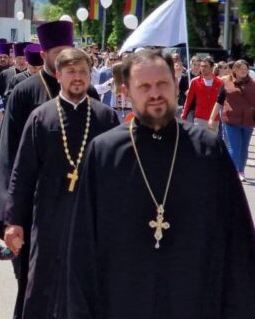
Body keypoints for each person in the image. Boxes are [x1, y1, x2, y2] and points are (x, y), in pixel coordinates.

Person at [66, 49, 255, 318]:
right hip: (121, 303)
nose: (155, 93)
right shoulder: (104, 152)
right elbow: (83, 243)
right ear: (127, 92)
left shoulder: (208, 150)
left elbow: (237, 240)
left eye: (162, 84)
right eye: (144, 86)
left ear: (176, 87)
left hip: (195, 302)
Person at [0, 20, 88, 319]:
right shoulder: (25, 93)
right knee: (32, 284)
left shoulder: (87, 94)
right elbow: (8, 155)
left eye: (68, 51)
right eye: (57, 52)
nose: (65, 59)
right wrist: (11, 214)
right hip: (34, 208)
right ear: (44, 54)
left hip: (76, 207)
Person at [3, 48, 116, 319]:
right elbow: (22, 174)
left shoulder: (106, 117)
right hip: (48, 218)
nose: (78, 77)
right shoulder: (41, 117)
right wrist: (14, 221)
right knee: (42, 287)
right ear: (58, 75)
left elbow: (117, 175)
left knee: (88, 288)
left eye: (83, 72)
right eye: (71, 72)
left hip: (92, 221)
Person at [209, 59, 255, 181]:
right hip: (231, 121)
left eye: (245, 69)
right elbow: (219, 102)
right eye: (241, 69)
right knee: (234, 147)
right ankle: (232, 173)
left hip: (248, 121)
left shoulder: (253, 84)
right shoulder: (226, 83)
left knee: (244, 147)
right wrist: (212, 118)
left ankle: (240, 170)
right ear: (235, 70)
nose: (243, 71)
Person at [181, 56, 223, 129]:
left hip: (214, 119)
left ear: (212, 67)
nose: (202, 68)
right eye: (201, 66)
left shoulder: (220, 82)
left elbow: (223, 101)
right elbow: (188, 100)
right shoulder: (195, 81)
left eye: (205, 66)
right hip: (199, 119)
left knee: (213, 137)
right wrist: (183, 116)